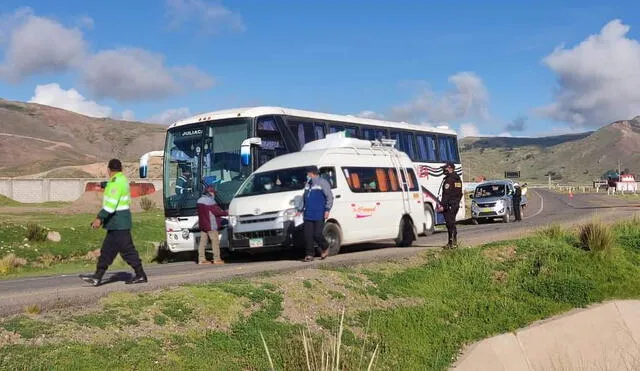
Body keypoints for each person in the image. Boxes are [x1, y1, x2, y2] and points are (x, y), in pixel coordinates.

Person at [79, 159, 147, 286]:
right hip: (116, 224)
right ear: (121, 169)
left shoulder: (116, 183)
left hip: (119, 222)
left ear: (109, 170)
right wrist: (104, 184)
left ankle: (140, 274)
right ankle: (97, 277)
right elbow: (113, 184)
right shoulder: (120, 179)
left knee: (127, 251)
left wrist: (99, 218)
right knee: (106, 252)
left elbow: (111, 206)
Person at [298, 166, 334, 262]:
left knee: (317, 234)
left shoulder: (323, 183)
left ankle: (325, 247)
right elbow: (304, 198)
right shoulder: (307, 184)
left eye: (308, 173)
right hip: (308, 214)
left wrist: (327, 209)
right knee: (308, 235)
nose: (307, 175)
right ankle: (310, 254)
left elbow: (329, 197)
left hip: (319, 213)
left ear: (312, 173)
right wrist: (299, 210)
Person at [196, 183, 228, 265]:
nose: (214, 194)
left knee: (202, 242)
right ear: (210, 193)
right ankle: (217, 259)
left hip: (202, 225)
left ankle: (201, 259)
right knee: (215, 241)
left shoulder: (199, 201)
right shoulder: (210, 201)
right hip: (211, 225)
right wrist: (227, 212)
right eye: (213, 193)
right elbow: (217, 212)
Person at [437, 161, 463, 249]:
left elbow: (446, 194)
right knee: (452, 223)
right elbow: (460, 194)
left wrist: (442, 205)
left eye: (445, 168)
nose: (443, 170)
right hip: (455, 205)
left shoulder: (449, 180)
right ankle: (453, 243)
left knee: (450, 224)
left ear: (450, 168)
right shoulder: (458, 179)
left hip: (449, 205)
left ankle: (451, 243)